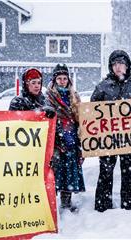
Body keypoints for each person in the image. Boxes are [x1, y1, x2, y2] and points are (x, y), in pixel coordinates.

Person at [91, 50, 131, 212]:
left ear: (127, 66)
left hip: (130, 140)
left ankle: (129, 207)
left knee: (129, 175)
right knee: (105, 173)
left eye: (121, 63)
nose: (118, 67)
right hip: (107, 141)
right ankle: (102, 207)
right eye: (115, 64)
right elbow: (92, 114)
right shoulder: (102, 87)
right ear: (111, 67)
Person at [46, 63, 85, 212]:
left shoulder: (74, 96)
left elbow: (81, 116)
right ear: (55, 79)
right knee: (55, 171)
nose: (62, 81)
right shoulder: (49, 97)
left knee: (69, 170)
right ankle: (51, 203)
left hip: (72, 138)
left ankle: (66, 202)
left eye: (65, 78)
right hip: (55, 139)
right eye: (59, 78)